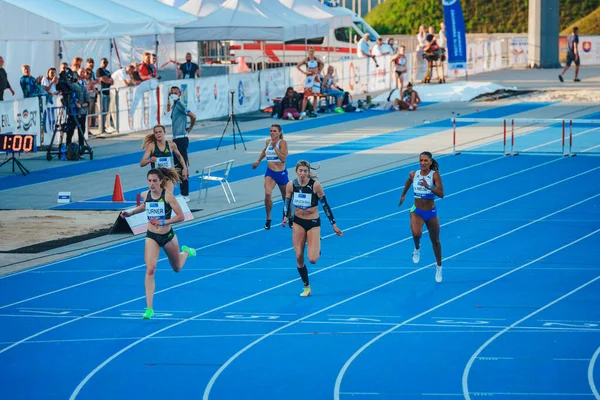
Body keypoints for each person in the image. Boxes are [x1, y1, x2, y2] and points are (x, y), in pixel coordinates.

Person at [120, 168, 197, 319]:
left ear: (161, 181)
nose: (152, 184)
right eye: (149, 181)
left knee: (177, 268)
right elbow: (145, 206)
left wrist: (163, 221)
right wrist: (130, 213)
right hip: (152, 236)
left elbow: (181, 216)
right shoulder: (145, 194)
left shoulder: (168, 196)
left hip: (167, 236)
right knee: (150, 269)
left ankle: (186, 251)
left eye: (155, 181)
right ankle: (149, 308)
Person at [282, 160, 343, 296]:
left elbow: (325, 205)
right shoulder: (291, 185)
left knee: (312, 259)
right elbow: (287, 202)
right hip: (298, 222)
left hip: (313, 222)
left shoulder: (316, 186)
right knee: (298, 256)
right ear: (296, 171)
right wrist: (285, 216)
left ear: (308, 172)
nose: (302, 174)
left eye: (305, 171)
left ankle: (317, 243)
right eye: (300, 171)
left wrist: (333, 224)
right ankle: (306, 286)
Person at [398, 152, 445, 283]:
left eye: (425, 160)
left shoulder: (434, 175)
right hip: (417, 211)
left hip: (430, 212)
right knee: (416, 232)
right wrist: (403, 195)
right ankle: (417, 248)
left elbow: (441, 194)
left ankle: (439, 266)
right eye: (421, 160)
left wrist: (428, 186)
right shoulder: (415, 174)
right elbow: (408, 181)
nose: (423, 163)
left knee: (435, 241)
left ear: (430, 162)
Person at [252, 124, 289, 230]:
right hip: (270, 173)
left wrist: (274, 147)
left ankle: (289, 215)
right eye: (271, 131)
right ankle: (268, 218)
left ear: (280, 132)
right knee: (267, 194)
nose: (272, 133)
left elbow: (283, 159)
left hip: (281, 173)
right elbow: (265, 151)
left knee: (286, 197)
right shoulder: (268, 142)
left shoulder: (283, 143)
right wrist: (258, 161)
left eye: (274, 131)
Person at [168, 86, 196, 202]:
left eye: (176, 93)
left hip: (181, 138)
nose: (173, 94)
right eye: (172, 93)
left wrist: (190, 127)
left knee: (182, 165)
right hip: (176, 138)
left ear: (180, 94)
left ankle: (185, 194)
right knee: (178, 166)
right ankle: (182, 192)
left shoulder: (179, 104)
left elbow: (192, 116)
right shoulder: (174, 105)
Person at [140, 125, 188, 193]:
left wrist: (184, 168)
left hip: (168, 176)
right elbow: (142, 163)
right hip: (156, 178)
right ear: (154, 134)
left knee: (168, 195)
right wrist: (149, 160)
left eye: (160, 132)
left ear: (164, 132)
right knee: (159, 197)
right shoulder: (151, 146)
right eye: (156, 132)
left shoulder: (171, 145)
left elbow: (179, 156)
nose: (158, 134)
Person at [296, 47, 324, 119]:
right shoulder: (306, 60)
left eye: (312, 51)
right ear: (308, 52)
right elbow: (298, 66)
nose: (311, 52)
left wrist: (319, 71)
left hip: (316, 78)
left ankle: (314, 111)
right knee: (306, 95)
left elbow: (322, 63)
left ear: (314, 52)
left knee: (315, 95)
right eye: (310, 51)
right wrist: (304, 72)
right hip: (309, 78)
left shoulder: (316, 59)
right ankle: (303, 111)